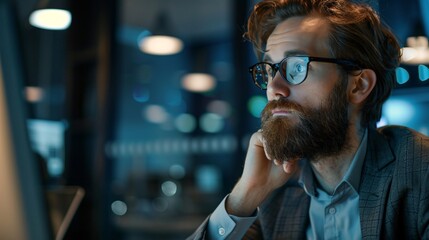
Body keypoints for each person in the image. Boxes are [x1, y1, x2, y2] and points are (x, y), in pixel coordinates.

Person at [188, 0, 429, 239]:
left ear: (358, 85)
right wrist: (244, 196)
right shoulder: (275, 192)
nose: (273, 87)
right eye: (270, 69)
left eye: (296, 67)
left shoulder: (420, 170)